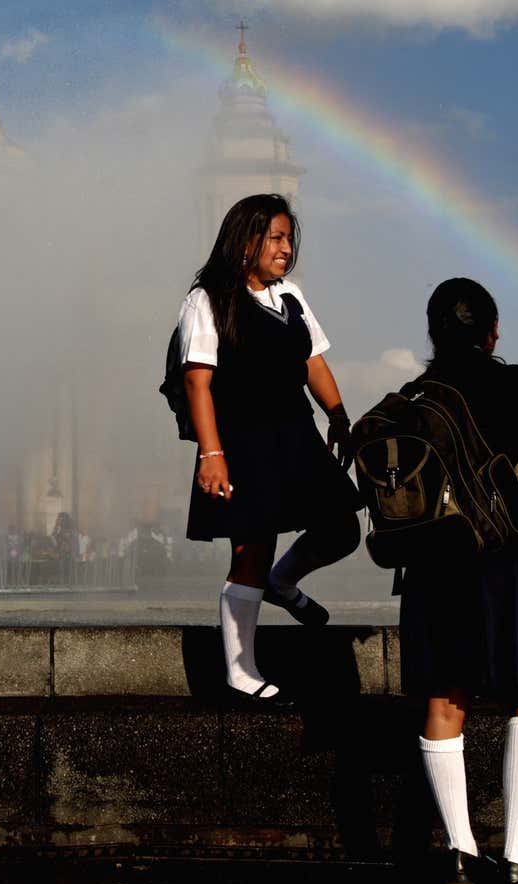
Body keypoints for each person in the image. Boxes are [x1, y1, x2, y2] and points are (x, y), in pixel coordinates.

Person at [399, 279, 518, 884]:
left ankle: (459, 849)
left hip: (432, 563)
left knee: (446, 696)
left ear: (434, 332)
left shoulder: (414, 395)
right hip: (506, 558)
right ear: (492, 331)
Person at [177, 193, 362, 705]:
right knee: (250, 548)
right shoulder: (207, 298)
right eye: (276, 239)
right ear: (246, 241)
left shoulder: (292, 297)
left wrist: (339, 417)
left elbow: (314, 364)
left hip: (296, 434)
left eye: (288, 239)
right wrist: (212, 455)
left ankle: (285, 581)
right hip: (241, 440)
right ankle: (240, 669)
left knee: (343, 525)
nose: (285, 250)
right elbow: (198, 384)